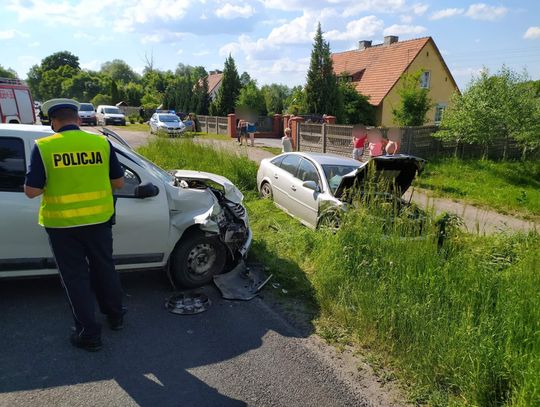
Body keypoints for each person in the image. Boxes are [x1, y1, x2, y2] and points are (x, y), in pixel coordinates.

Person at [24, 98, 125, 352]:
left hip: (62, 226)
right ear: (78, 120)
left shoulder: (44, 147)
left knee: (76, 278)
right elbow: (119, 183)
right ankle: (116, 317)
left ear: (54, 122)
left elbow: (31, 191)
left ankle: (89, 334)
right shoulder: (101, 142)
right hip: (99, 220)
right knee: (105, 268)